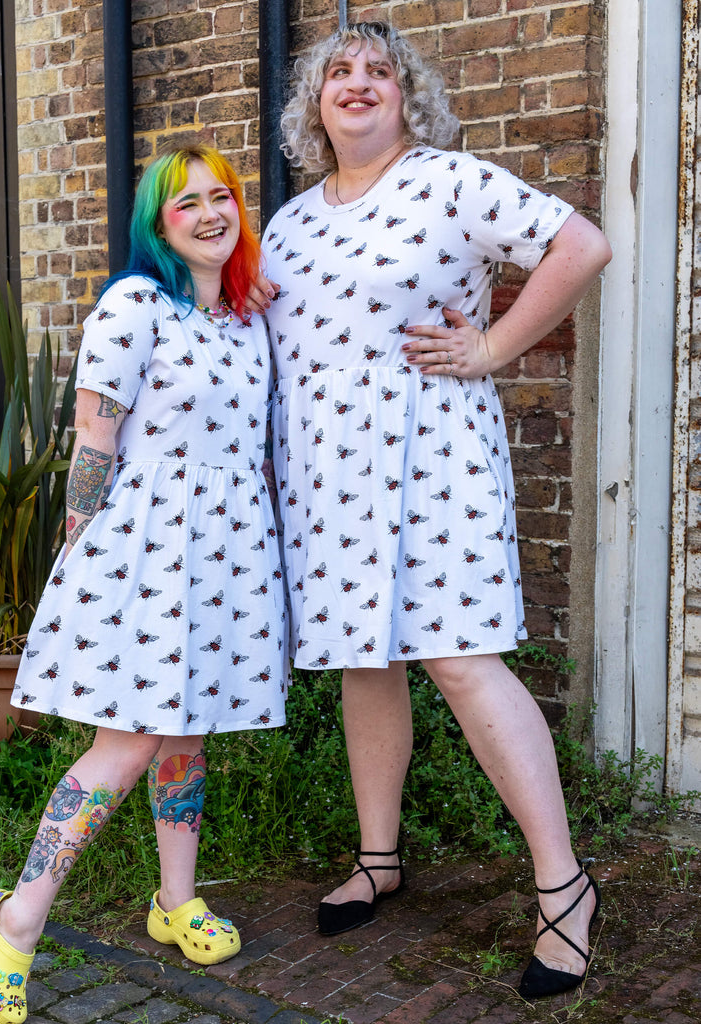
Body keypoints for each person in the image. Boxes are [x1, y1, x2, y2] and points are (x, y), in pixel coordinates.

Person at [255, 20, 612, 1001]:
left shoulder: (452, 182)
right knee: (365, 662)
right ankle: (379, 856)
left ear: (407, 95)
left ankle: (564, 886)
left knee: (459, 661)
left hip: (432, 465)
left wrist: (493, 348)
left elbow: (582, 245)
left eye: (380, 71)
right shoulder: (288, 222)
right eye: (340, 72)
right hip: (328, 480)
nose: (359, 83)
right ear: (315, 104)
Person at [0, 145, 289, 1024]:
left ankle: (174, 901)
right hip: (143, 550)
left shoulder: (248, 318)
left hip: (226, 552)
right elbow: (94, 440)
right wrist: (82, 552)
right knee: (130, 742)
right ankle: (13, 921)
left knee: (186, 736)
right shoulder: (134, 304)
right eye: (185, 204)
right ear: (158, 226)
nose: (209, 213)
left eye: (220, 196)